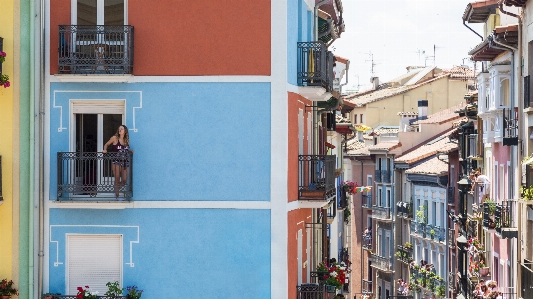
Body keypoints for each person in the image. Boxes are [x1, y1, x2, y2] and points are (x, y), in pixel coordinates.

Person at [103, 125, 133, 200]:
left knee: (124, 180)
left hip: (125, 162)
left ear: (125, 131)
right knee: (117, 178)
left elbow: (124, 150)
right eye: (119, 129)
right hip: (116, 162)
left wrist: (130, 151)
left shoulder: (126, 140)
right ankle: (117, 196)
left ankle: (115, 190)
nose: (120, 130)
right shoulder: (115, 138)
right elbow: (106, 144)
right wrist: (105, 149)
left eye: (122, 129)